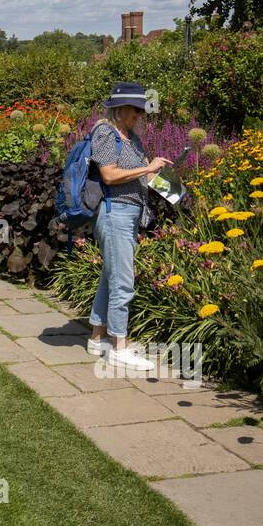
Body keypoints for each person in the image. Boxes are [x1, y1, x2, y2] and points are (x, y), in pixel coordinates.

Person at [87, 81, 172, 372]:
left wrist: (169, 184)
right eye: (136, 110)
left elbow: (140, 178)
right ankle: (119, 347)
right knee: (123, 281)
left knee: (110, 275)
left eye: (141, 110)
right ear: (120, 109)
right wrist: (147, 167)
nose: (140, 115)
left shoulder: (132, 138)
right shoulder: (104, 132)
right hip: (114, 214)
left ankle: (98, 338)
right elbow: (110, 176)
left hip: (131, 213)